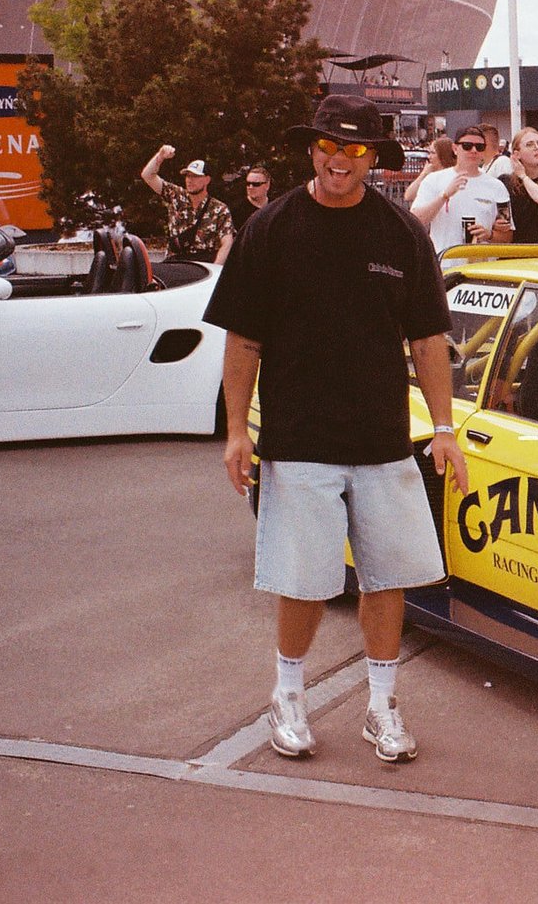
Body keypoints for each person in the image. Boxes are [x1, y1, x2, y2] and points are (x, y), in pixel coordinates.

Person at [206, 94, 469, 764]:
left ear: (374, 159)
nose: (338, 160)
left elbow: (429, 340)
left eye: (354, 150)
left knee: (388, 576)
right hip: (298, 438)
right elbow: (244, 339)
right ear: (310, 149)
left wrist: (443, 426)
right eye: (328, 145)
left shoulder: (401, 233)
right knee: (304, 580)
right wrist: (237, 430)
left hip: (382, 438)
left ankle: (382, 704)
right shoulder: (271, 228)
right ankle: (287, 694)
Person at [409, 126, 513, 262]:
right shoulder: (434, 180)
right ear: (455, 149)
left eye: (480, 147)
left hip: (482, 269)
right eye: (467, 146)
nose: (474, 150)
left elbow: (507, 236)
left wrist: (489, 234)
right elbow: (416, 220)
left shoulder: (496, 186)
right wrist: (444, 195)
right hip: (444, 266)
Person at [139, 146, 234, 263]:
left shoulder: (220, 209)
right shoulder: (176, 195)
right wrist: (160, 156)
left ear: (207, 180)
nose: (189, 180)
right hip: (176, 262)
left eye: (195, 176)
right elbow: (148, 175)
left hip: (204, 265)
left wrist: (216, 271)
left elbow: (227, 243)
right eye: (188, 176)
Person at [403, 136, 457, 207]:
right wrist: (424, 174)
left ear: (443, 155)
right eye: (429, 153)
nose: (429, 157)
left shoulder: (453, 176)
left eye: (433, 153)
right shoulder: (430, 175)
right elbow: (408, 196)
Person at [232, 164, 273, 233]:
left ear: (267, 185)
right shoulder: (236, 211)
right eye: (248, 184)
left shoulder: (275, 207)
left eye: (256, 184)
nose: (250, 187)